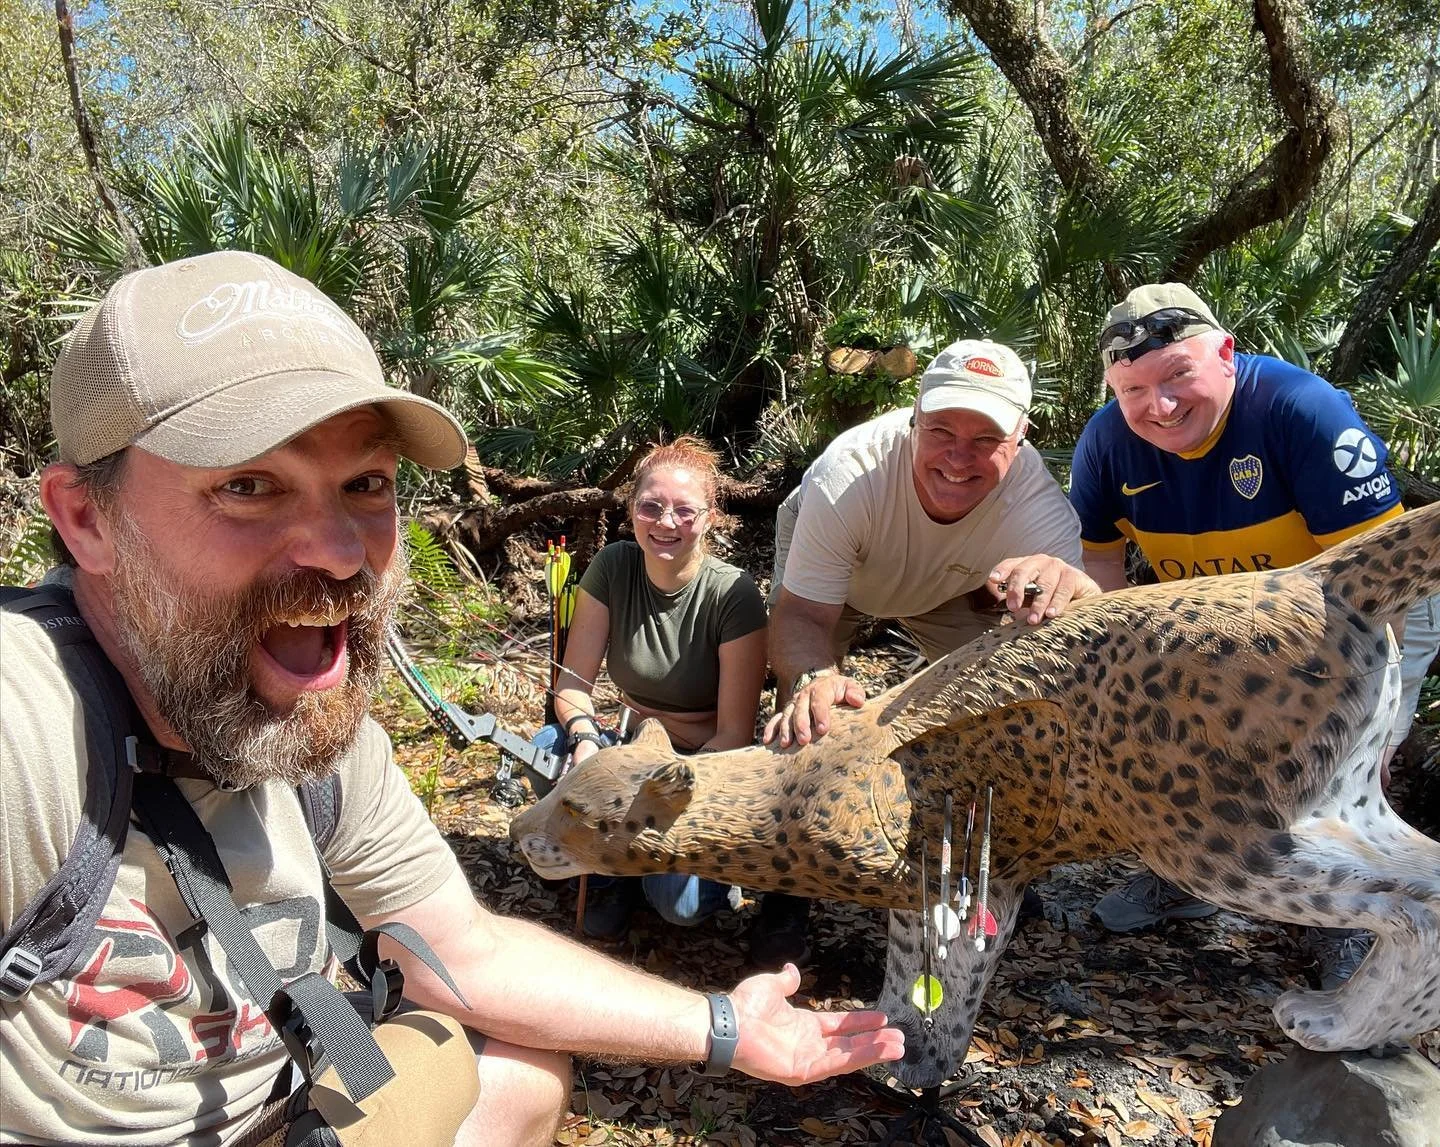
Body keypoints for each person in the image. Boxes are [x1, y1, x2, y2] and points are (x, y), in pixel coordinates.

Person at [0, 251, 903, 1147]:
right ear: (85, 518)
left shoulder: (315, 728)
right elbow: (574, 684)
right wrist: (587, 734)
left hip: (281, 1097)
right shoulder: (29, 721)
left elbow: (465, 950)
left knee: (517, 1068)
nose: (342, 551)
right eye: (246, 485)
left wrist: (727, 1028)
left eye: (367, 484)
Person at [1071, 281, 1440, 984]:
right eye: (1134, 391)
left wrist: (1378, 723)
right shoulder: (1108, 443)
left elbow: (1387, 586)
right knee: (1171, 727)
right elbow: (1098, 576)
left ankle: (1353, 927)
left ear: (1226, 353)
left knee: (1343, 768)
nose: (1162, 406)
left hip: (1367, 610)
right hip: (1220, 618)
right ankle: (1187, 875)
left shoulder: (1300, 412)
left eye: (1178, 376)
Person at [759, 338, 1099, 965]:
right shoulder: (850, 475)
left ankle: (988, 866)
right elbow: (803, 616)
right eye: (941, 430)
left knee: (1002, 708)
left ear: (1021, 438)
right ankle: (786, 884)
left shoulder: (1040, 510)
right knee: (806, 701)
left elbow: (1075, 647)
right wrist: (814, 674)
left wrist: (1073, 593)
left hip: (948, 588)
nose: (957, 457)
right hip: (842, 582)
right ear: (913, 418)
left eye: (985, 440)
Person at [534, 437, 768, 940]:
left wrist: (656, 787)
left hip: (696, 764)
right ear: (632, 510)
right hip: (622, 747)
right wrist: (586, 741)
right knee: (545, 750)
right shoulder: (613, 566)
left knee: (678, 907)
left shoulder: (734, 595)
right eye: (651, 507)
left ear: (709, 518)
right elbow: (571, 686)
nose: (665, 523)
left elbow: (733, 734)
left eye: (685, 511)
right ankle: (608, 875)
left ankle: (697, 875)